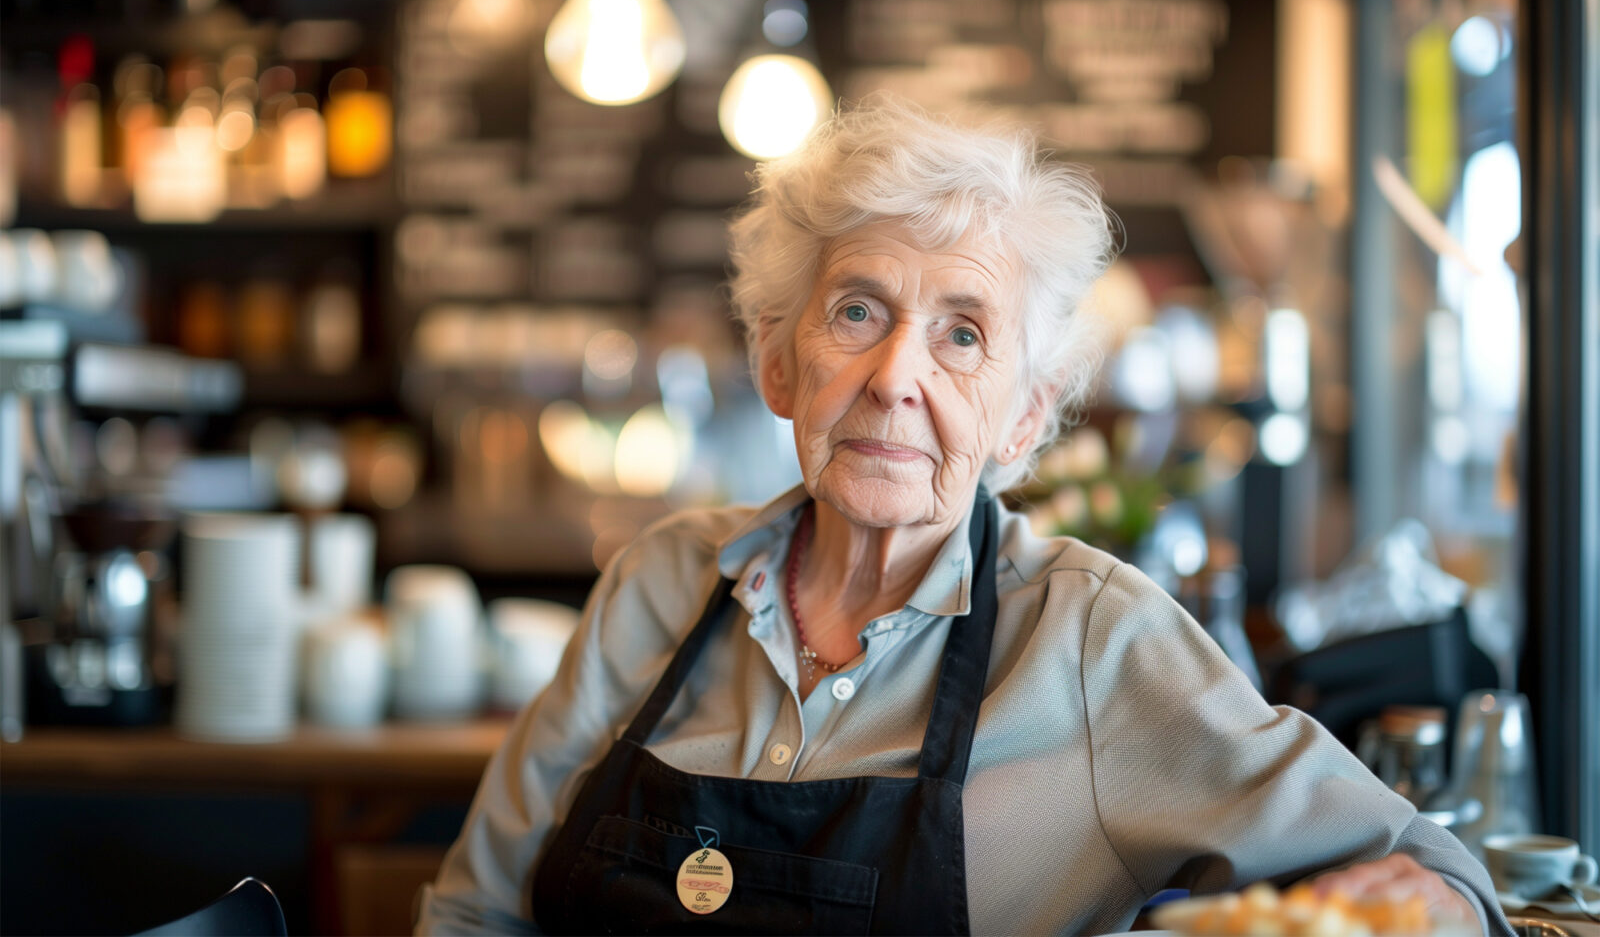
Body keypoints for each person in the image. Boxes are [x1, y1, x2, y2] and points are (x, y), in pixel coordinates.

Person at [416, 97, 1509, 935]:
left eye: (963, 335)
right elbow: (475, 913)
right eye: (857, 311)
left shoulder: (1090, 637)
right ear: (777, 362)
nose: (897, 377)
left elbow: (1439, 878)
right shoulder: (660, 585)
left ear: (1023, 420)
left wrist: (1424, 902)